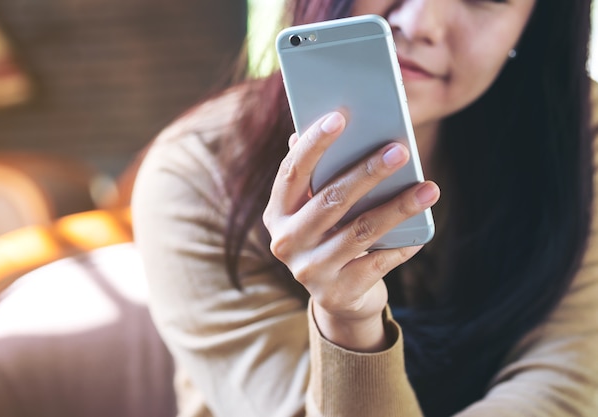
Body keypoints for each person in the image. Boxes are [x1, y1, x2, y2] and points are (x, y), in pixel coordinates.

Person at [131, 0, 598, 416]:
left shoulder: (579, 138)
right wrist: (348, 322)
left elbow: (561, 384)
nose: (421, 22)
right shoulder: (196, 176)